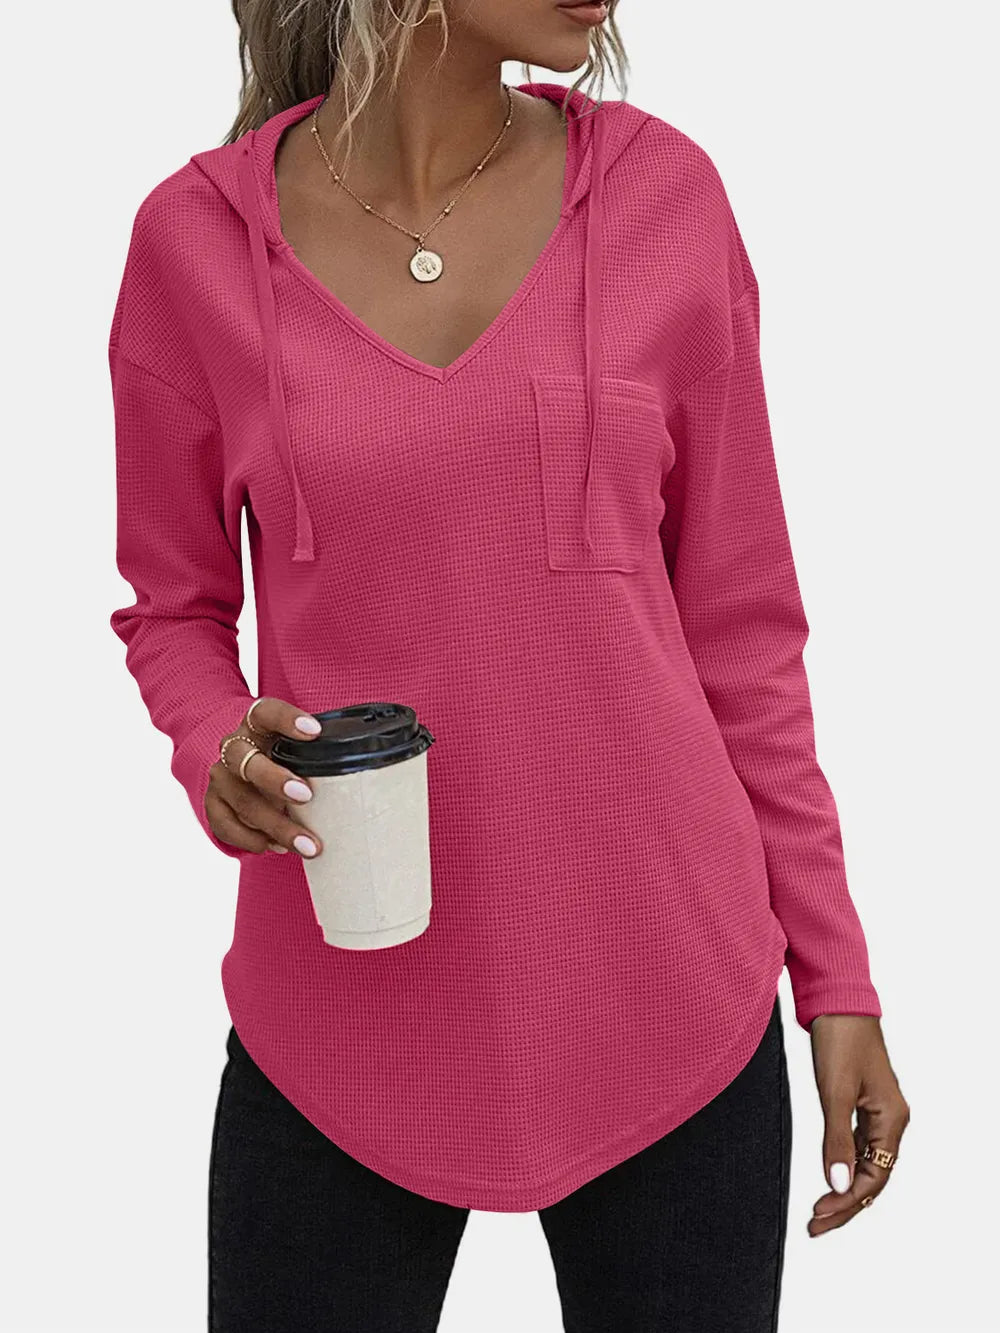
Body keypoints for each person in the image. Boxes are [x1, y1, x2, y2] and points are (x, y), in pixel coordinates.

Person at [107, 1, 910, 1328]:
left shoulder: (666, 201)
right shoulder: (193, 242)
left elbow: (746, 630)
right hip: (339, 1019)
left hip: (668, 996)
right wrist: (216, 742)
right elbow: (172, 606)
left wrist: (835, 977)